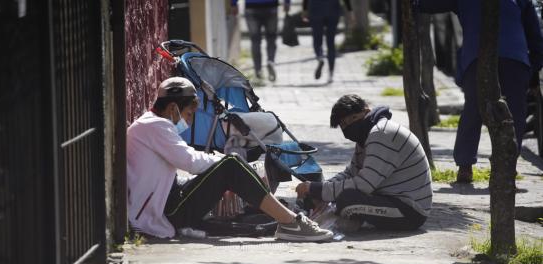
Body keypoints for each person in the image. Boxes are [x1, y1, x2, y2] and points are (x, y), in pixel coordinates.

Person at [127, 77, 333, 241]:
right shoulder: (155, 126)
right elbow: (191, 163)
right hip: (165, 214)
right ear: (173, 108)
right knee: (232, 165)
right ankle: (292, 223)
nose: (188, 122)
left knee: (232, 165)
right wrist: (233, 166)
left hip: (168, 203)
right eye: (189, 114)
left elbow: (163, 175)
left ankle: (286, 217)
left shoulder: (150, 125)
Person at [414, 0, 543, 182]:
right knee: (515, 114)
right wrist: (534, 66)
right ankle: (508, 166)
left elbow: (428, 5)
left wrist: (414, 5)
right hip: (514, 59)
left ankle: (465, 166)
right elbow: (535, 35)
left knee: (474, 109)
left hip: (479, 57)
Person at [295, 94, 432, 230]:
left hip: (410, 210)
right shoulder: (367, 135)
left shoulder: (382, 134)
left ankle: (340, 221)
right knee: (330, 197)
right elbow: (351, 173)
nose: (347, 127)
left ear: (366, 111)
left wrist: (319, 190)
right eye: (343, 124)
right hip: (388, 199)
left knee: (347, 200)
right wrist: (318, 189)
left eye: (351, 119)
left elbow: (364, 185)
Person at [231, 0, 290, 81]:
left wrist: (234, 4)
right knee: (271, 38)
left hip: (251, 6)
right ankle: (271, 61)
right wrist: (287, 2)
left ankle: (258, 70)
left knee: (255, 40)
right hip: (271, 6)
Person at [302, 0, 352, 83]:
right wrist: (350, 10)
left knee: (317, 38)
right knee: (331, 42)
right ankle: (331, 73)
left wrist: (304, 9)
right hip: (333, 8)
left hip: (316, 7)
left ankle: (320, 56)